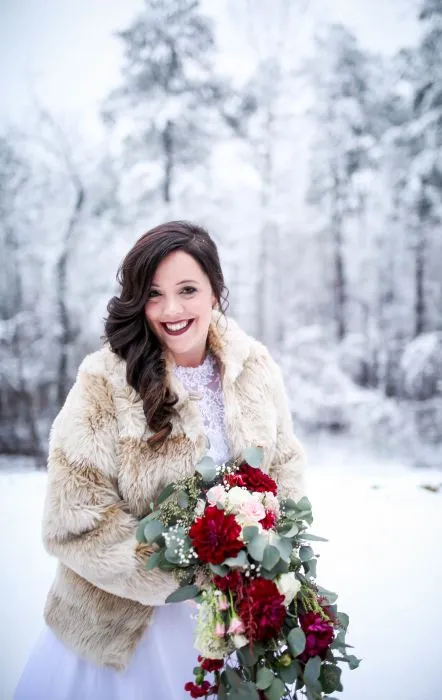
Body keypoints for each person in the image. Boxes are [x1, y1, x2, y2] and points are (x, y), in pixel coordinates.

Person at [14, 221, 306, 700]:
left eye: (187, 290)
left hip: (235, 623)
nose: (171, 310)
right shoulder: (105, 382)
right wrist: (188, 573)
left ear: (215, 292)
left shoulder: (254, 367)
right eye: (153, 294)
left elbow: (286, 466)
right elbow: (73, 523)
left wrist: (265, 554)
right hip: (123, 635)